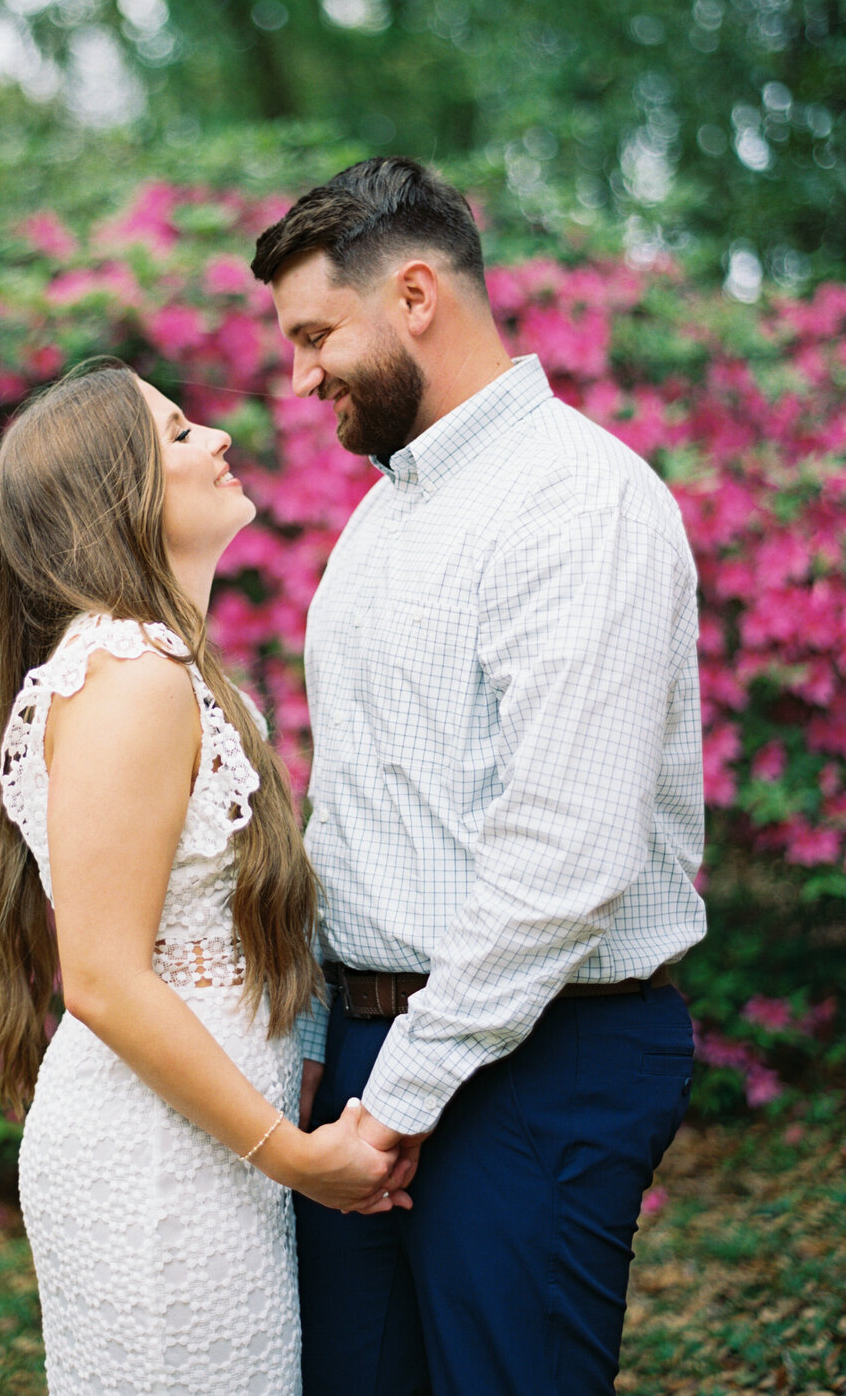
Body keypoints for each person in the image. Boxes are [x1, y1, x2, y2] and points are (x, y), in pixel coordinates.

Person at [250, 156, 708, 1396]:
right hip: (365, 1060)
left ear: (412, 295)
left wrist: (393, 1102)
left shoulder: (579, 504)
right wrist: (316, 1061)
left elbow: (564, 857)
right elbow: (351, 817)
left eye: (314, 334)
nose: (299, 378)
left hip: (542, 1063)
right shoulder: (381, 517)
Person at [0, 360, 402, 1396]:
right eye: (176, 432)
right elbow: (109, 978)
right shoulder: (129, 672)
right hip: (156, 1165)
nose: (217, 436)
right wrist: (297, 1158)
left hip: (206, 1148)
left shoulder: (164, 664)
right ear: (113, 497)